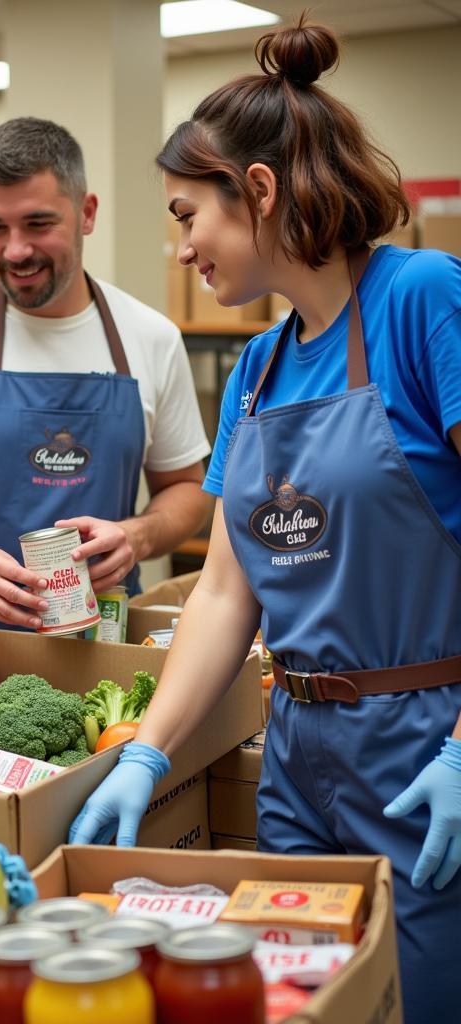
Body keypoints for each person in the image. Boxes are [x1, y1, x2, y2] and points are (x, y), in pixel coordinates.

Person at [69, 18, 461, 1023]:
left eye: (186, 214)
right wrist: (147, 750)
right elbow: (224, 591)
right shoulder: (257, 370)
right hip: (297, 756)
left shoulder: (422, 302)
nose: (181, 244)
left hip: (424, 751)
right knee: (295, 1001)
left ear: (258, 190)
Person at [0, 117, 212, 636]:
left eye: (38, 223)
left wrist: (136, 537)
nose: (16, 250)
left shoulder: (151, 337)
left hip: (103, 637)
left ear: (86, 213)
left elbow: (187, 488)